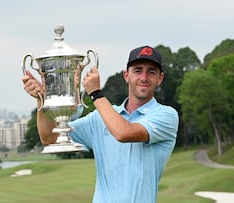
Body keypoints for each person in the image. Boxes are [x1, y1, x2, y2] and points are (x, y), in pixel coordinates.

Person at [22, 45, 179, 203]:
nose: (144, 77)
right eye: (137, 70)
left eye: (151, 72)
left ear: (160, 78)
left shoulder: (166, 115)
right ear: (126, 76)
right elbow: (50, 137)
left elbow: (124, 133)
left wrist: (96, 93)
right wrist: (42, 99)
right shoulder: (99, 118)